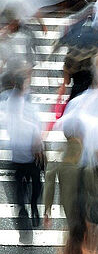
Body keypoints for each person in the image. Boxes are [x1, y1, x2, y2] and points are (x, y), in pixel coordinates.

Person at [1, 76, 43, 229]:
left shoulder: (8, 102)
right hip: (30, 155)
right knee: (36, 184)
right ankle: (32, 206)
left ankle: (24, 208)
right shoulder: (25, 105)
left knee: (19, 185)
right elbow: (35, 127)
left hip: (17, 155)